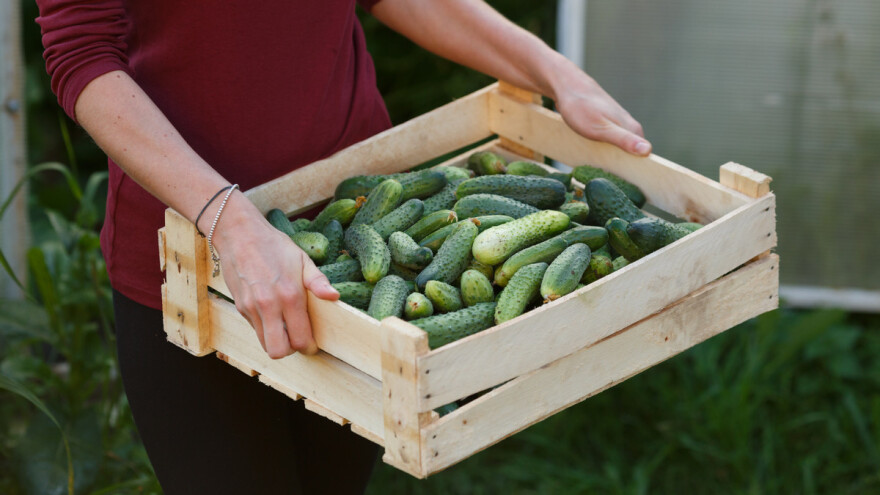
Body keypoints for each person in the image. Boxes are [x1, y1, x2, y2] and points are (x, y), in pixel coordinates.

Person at [36, 0, 651, 493]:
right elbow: (81, 51)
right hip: (195, 262)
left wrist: (557, 74)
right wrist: (231, 221)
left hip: (357, 234)